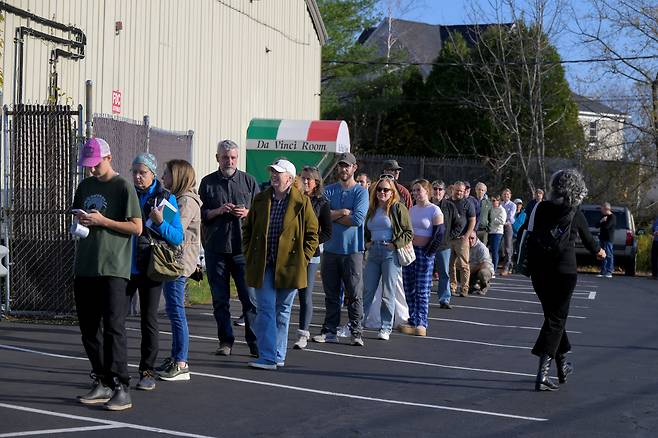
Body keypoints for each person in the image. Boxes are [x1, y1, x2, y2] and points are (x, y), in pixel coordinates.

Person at [73, 138, 142, 411]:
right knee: (89, 330)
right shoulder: (85, 186)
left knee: (114, 328)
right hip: (86, 265)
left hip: (113, 267)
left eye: (96, 164)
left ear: (109, 158)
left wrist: (103, 221)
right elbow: (77, 217)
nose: (92, 170)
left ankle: (121, 386)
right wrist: (79, 221)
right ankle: (101, 380)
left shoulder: (122, 186)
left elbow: (136, 227)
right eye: (88, 165)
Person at [527, 169, 605, 391]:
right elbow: (590, 242)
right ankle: (542, 374)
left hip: (540, 271)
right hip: (564, 271)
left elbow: (529, 232)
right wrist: (600, 253)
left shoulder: (541, 208)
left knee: (553, 318)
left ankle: (562, 366)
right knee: (556, 320)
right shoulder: (574, 211)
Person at [243, 159, 319, 369]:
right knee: (266, 308)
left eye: (279, 173)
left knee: (282, 310)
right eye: (272, 172)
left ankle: (278, 354)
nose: (274, 176)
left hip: (289, 266)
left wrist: (302, 258)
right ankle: (267, 356)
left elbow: (313, 234)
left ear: (290, 178)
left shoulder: (302, 202)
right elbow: (247, 229)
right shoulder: (261, 199)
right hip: (264, 264)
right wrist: (249, 252)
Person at [127, 153, 184, 391]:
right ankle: (114, 370)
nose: (138, 177)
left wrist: (160, 222)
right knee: (114, 319)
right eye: (135, 173)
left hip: (150, 267)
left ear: (152, 174)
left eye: (143, 173)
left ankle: (147, 371)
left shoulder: (165, 199)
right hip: (124, 266)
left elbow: (177, 237)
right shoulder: (126, 195)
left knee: (148, 320)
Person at [199, 140, 259, 357]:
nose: (229, 161)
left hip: (242, 249)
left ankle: (254, 342)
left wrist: (247, 213)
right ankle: (225, 341)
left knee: (250, 300)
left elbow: (262, 213)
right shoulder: (207, 183)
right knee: (220, 300)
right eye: (225, 157)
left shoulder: (249, 182)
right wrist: (219, 210)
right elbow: (202, 215)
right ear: (217, 158)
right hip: (216, 249)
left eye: (233, 157)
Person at [313, 152, 369, 346]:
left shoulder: (361, 192)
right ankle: (329, 331)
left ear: (354, 168)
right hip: (330, 249)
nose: (343, 169)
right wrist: (342, 212)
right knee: (331, 294)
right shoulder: (328, 190)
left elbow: (357, 219)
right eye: (341, 166)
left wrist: (333, 216)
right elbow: (320, 216)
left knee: (354, 294)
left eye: (347, 166)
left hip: (353, 251)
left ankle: (356, 331)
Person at [156, 160, 202, 381]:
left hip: (178, 263)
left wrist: (157, 222)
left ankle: (181, 362)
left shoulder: (186, 201)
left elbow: (176, 233)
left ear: (178, 176)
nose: (163, 177)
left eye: (167, 173)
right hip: (175, 261)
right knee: (173, 311)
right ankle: (176, 356)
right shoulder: (176, 199)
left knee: (176, 313)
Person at [362, 176, 413, 340]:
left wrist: (395, 244)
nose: (382, 192)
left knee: (388, 293)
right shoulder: (372, 208)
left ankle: (385, 327)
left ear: (392, 192)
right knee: (368, 290)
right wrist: (367, 243)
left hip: (390, 253)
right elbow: (365, 230)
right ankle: (357, 324)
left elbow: (408, 232)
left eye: (386, 190)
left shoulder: (398, 208)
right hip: (373, 251)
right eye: (379, 189)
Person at [294, 166, 332, 350]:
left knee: (305, 295)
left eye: (310, 179)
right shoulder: (293, 199)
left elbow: (327, 232)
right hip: (290, 254)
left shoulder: (322, 203)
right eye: (303, 178)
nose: (306, 181)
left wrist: (311, 244)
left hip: (310, 255)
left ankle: (303, 333)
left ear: (317, 182)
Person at [400, 179, 444, 336]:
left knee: (422, 289)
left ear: (427, 191)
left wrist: (429, 252)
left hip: (425, 254)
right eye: (414, 190)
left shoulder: (434, 210)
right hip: (410, 253)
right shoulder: (411, 210)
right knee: (409, 287)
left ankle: (421, 322)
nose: (415, 193)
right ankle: (412, 319)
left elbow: (439, 234)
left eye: (419, 190)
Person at [431, 180, 460, 309]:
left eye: (440, 189)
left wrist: (448, 237)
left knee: (444, 273)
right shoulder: (425, 205)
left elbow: (458, 225)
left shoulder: (450, 206)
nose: (437, 192)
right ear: (431, 190)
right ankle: (422, 297)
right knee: (424, 273)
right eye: (435, 189)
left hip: (443, 246)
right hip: (426, 245)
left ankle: (444, 299)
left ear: (444, 192)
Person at [448, 181, 476, 297]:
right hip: (449, 238)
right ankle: (452, 287)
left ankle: (464, 288)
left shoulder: (468, 204)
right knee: (450, 265)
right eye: (457, 190)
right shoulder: (448, 202)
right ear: (453, 189)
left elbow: (472, 220)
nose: (459, 192)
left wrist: (467, 235)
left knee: (464, 265)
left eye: (461, 191)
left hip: (462, 239)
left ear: (464, 191)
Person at [597, 202, 616, 278]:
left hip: (608, 239)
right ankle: (603, 271)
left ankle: (609, 271)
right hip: (602, 238)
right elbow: (596, 225)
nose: (601, 210)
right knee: (602, 254)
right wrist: (601, 221)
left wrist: (604, 222)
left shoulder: (612, 217)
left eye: (602, 208)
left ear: (606, 208)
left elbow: (607, 226)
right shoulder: (603, 217)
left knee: (609, 254)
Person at [488, 196, 506, 275]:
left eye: (495, 200)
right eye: (492, 200)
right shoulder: (491, 208)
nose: (493, 202)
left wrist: (493, 220)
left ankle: (494, 269)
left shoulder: (502, 210)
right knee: (491, 250)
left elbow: (502, 221)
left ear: (499, 201)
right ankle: (490, 267)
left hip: (498, 232)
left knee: (495, 250)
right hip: (491, 231)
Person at [500, 188, 516, 276]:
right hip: (500, 226)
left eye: (507, 194)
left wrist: (502, 221)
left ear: (510, 195)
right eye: (504, 194)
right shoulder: (500, 204)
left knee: (508, 246)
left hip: (508, 226)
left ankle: (507, 267)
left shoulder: (513, 205)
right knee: (499, 246)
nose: (506, 196)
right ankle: (508, 264)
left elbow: (510, 216)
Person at [652, 215, 658, 280]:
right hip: (655, 241)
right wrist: (654, 232)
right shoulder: (656, 219)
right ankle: (654, 274)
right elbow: (653, 229)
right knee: (654, 258)